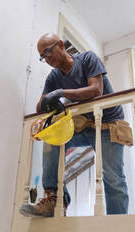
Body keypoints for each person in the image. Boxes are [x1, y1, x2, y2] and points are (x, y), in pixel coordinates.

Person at [20, 33, 129, 217]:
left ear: (61, 45)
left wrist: (60, 92)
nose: (47, 59)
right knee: (52, 141)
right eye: (42, 57)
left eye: (48, 52)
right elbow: (40, 106)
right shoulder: (54, 76)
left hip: (107, 124)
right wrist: (49, 100)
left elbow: (96, 89)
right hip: (82, 126)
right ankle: (55, 200)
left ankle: (116, 222)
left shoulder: (87, 59)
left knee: (113, 178)